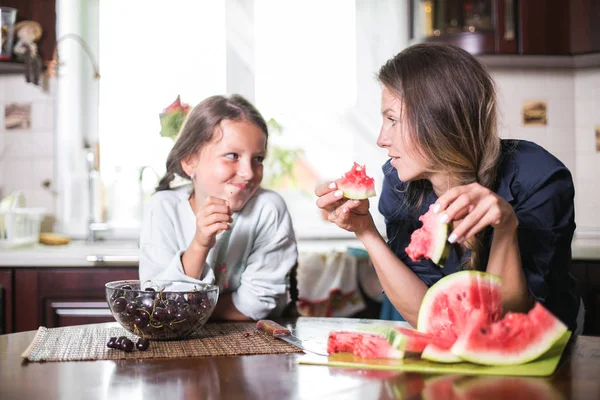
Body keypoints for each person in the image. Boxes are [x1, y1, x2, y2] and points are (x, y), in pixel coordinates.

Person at [315, 43, 583, 334]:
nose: (381, 139)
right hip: (457, 341)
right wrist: (365, 231)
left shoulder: (538, 176)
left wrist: (505, 230)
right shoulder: (398, 182)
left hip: (549, 342)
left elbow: (507, 321)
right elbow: (428, 316)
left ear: (438, 119)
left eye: (392, 119)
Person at [139, 94, 298, 321]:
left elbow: (257, 304)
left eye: (258, 159)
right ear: (189, 161)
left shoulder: (268, 209)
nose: (249, 173)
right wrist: (200, 244)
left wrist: (186, 310)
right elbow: (157, 303)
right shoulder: (162, 208)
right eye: (232, 156)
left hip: (253, 342)